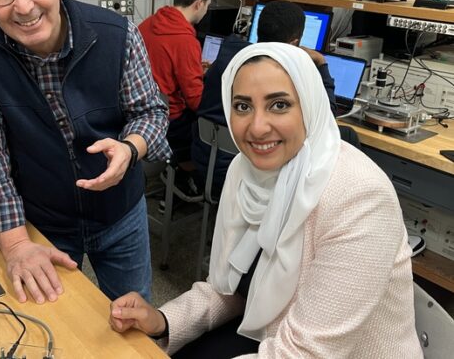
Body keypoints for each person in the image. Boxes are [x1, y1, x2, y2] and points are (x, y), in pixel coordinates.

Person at [110, 42, 423, 359]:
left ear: (310, 104)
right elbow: (228, 287)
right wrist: (163, 321)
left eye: (279, 105)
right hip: (271, 335)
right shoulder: (245, 172)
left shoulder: (359, 197)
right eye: (243, 107)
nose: (257, 128)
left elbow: (307, 353)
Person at [0, 0, 171, 304]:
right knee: (56, 323)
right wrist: (16, 243)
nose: (23, 5)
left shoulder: (116, 33)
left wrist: (130, 148)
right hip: (38, 220)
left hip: (120, 213)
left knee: (134, 322)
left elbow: (150, 110)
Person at [191, 0, 337, 197]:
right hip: (247, 171)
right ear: (295, 43)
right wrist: (321, 63)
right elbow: (325, 120)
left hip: (205, 158)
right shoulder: (287, 76)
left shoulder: (228, 59)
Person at [139, 0, 215, 167]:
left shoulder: (149, 23)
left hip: (145, 109)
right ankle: (198, 182)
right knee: (216, 123)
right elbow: (195, 101)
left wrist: (195, 67)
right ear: (199, 4)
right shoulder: (186, 41)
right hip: (171, 120)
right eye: (207, 5)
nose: (206, 11)